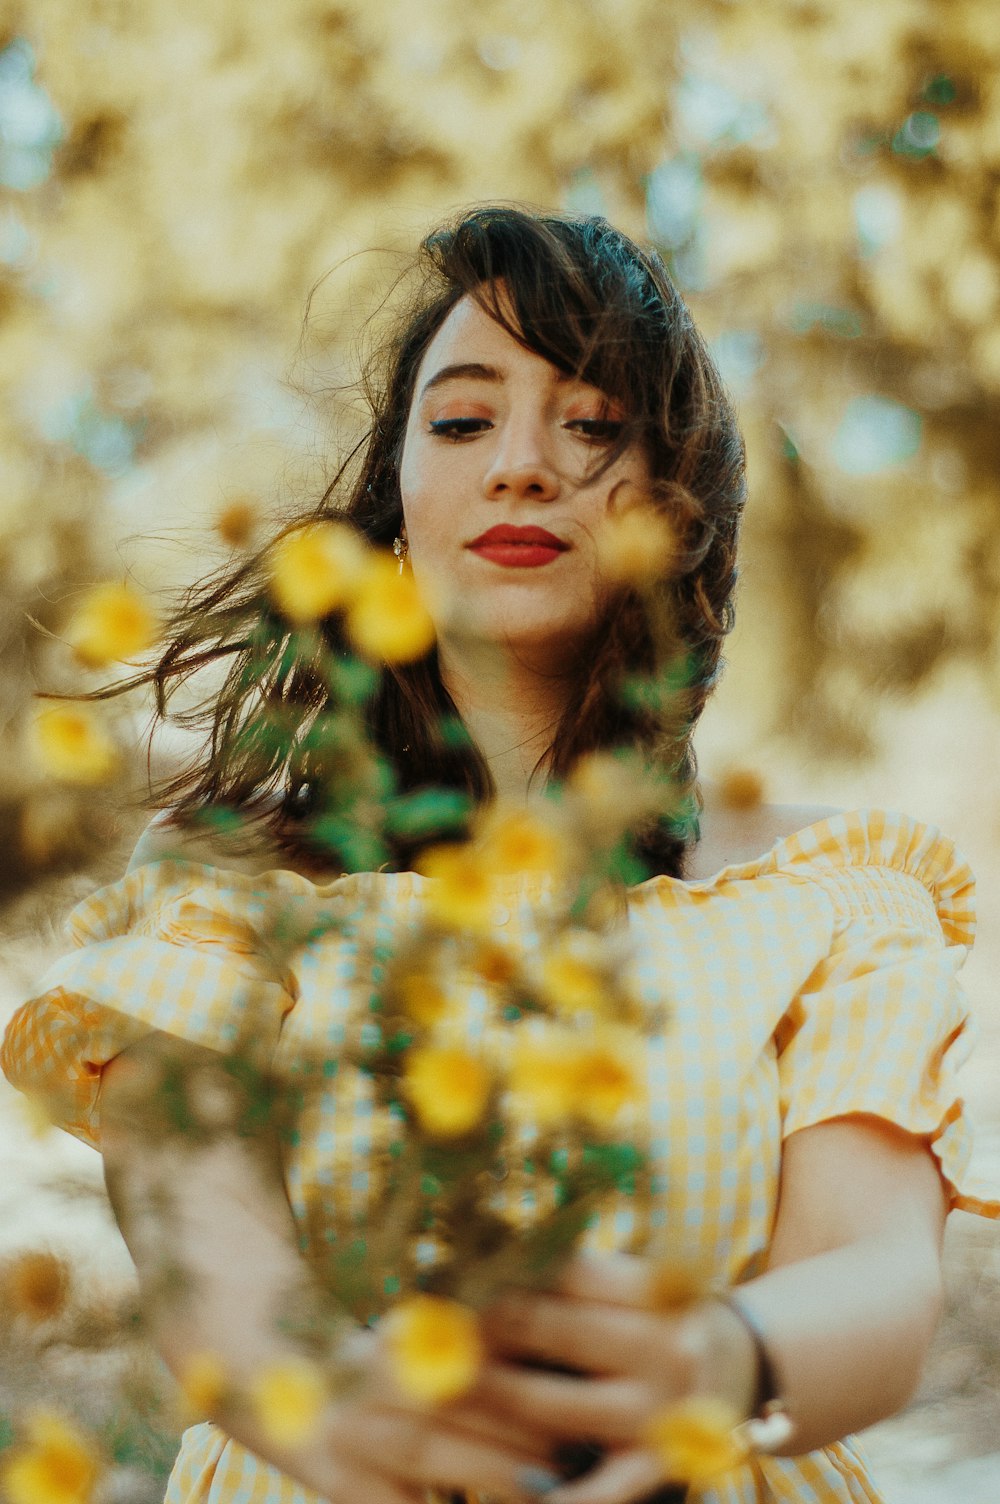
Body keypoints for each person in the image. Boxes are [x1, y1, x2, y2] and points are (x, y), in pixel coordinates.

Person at [2, 205, 997, 1504]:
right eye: (464, 422)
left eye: (592, 426)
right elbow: (207, 1253)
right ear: (398, 520)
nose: (524, 464)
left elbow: (876, 1277)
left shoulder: (830, 890)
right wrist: (354, 1415)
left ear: (678, 514)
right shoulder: (226, 887)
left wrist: (720, 1358)